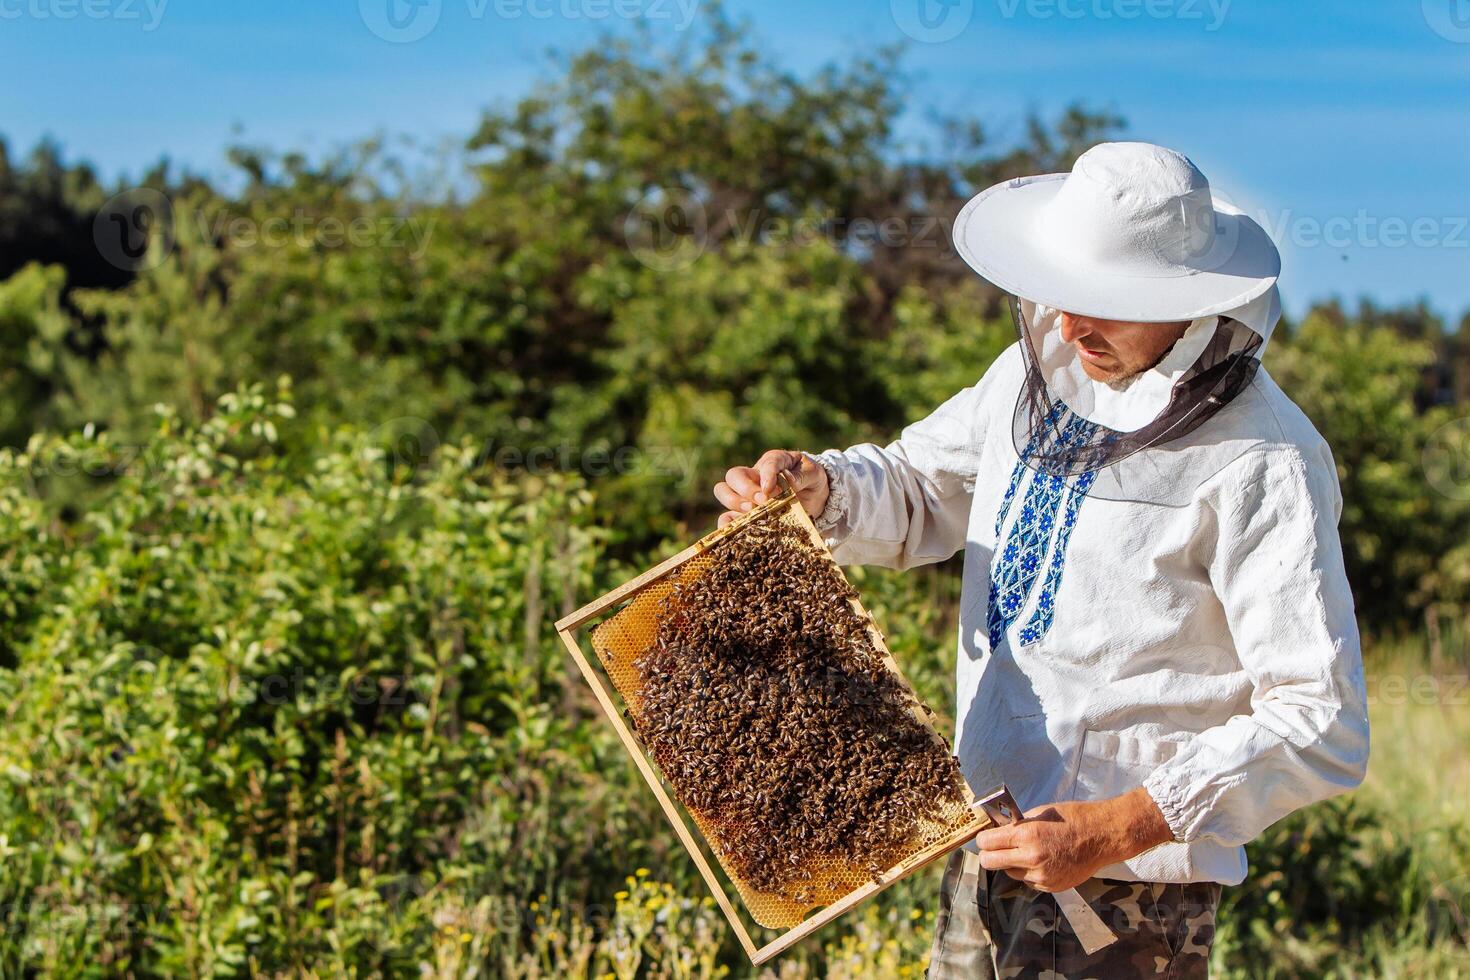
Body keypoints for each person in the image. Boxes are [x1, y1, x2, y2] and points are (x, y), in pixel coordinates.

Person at [712, 142, 1369, 978]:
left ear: (1187, 300)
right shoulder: (1042, 372)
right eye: (1065, 295)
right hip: (981, 842)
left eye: (1105, 302)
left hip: (1128, 895)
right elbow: (923, 484)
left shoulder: (1266, 461)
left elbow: (1320, 721)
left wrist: (1117, 825)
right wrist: (822, 487)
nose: (1070, 324)